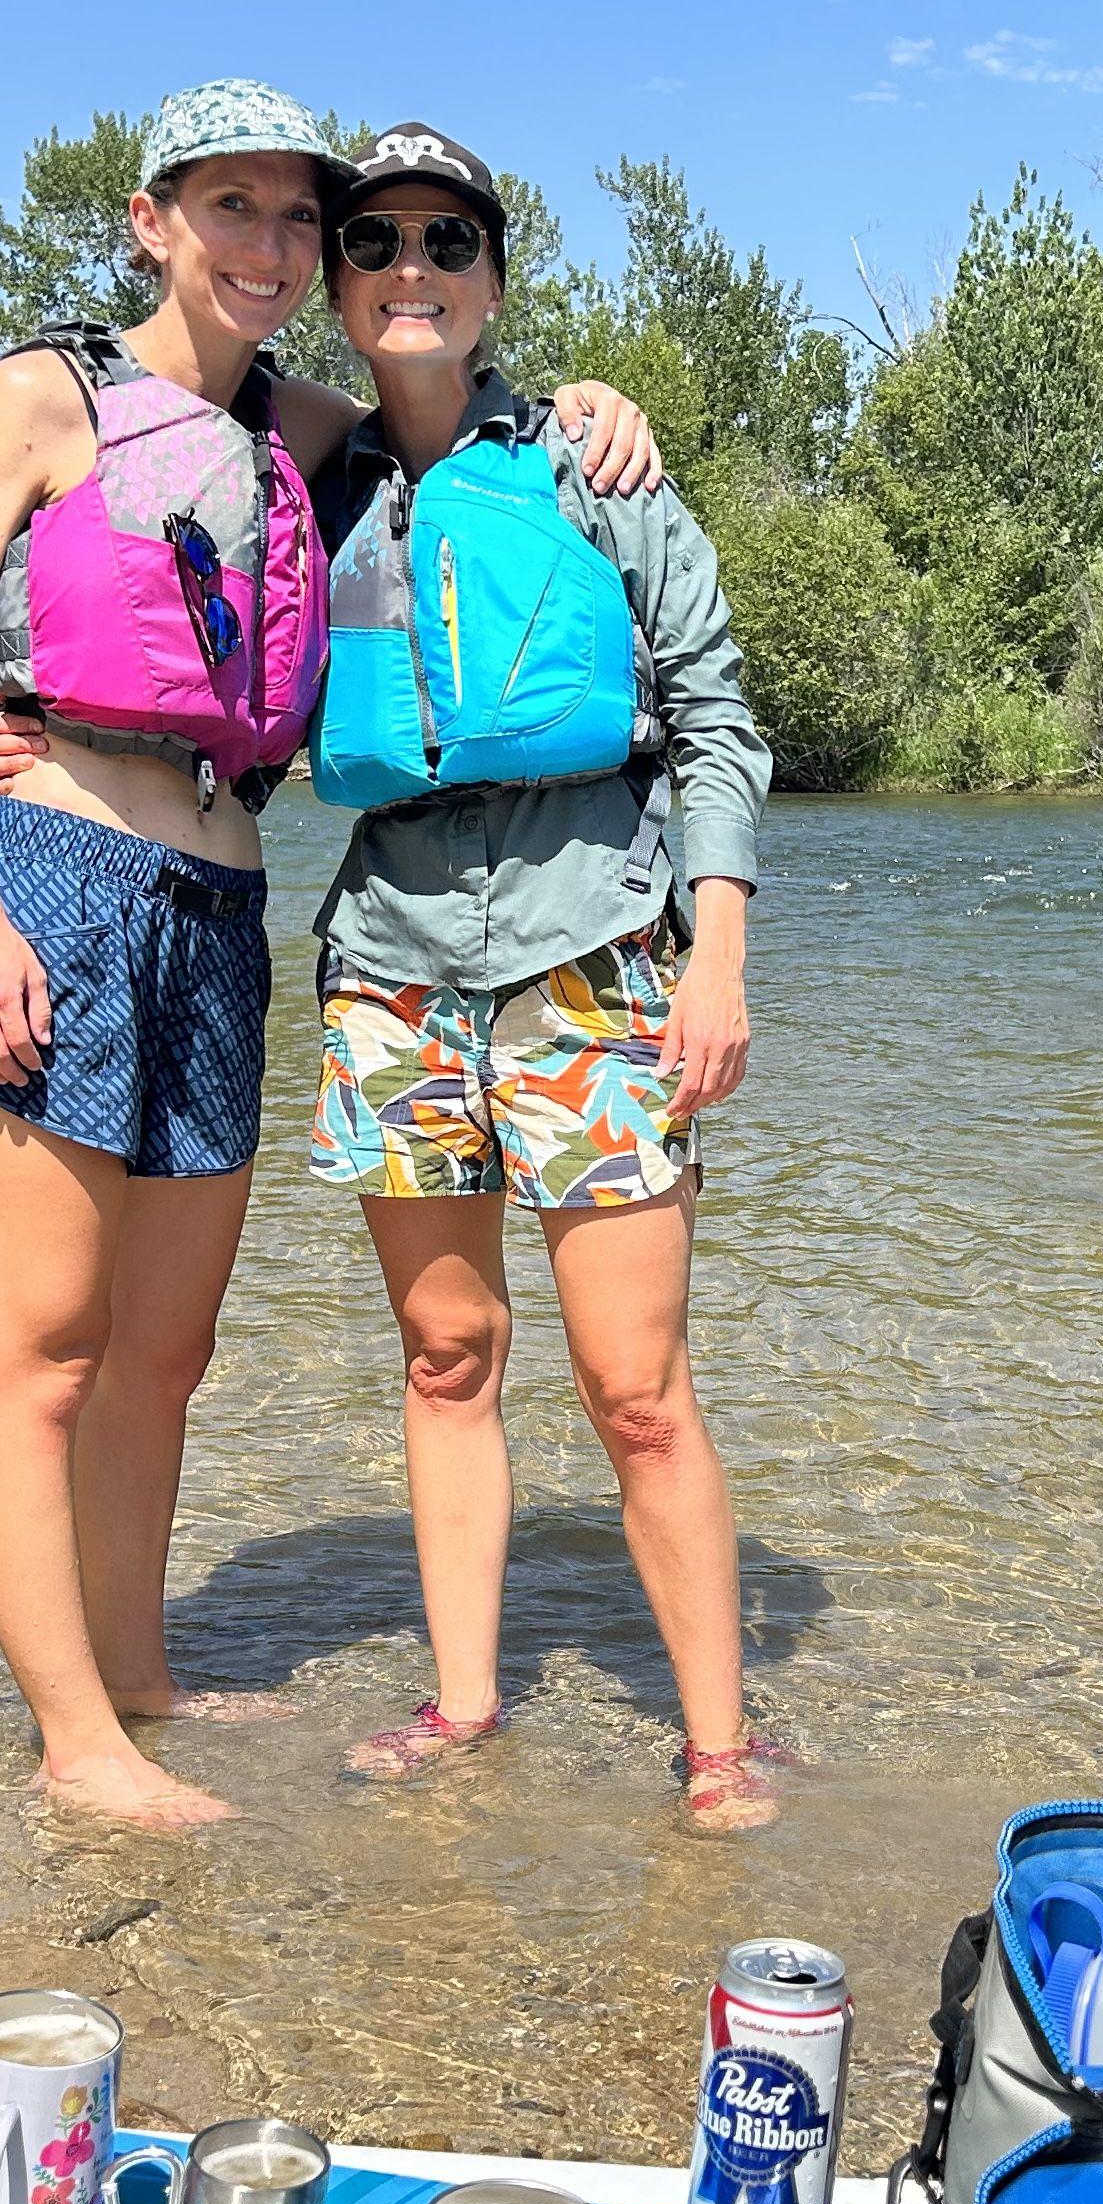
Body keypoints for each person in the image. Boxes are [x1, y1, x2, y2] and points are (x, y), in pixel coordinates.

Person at [0, 78, 662, 1833]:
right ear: (151, 222)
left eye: (297, 217)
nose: (272, 243)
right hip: (54, 881)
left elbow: (446, 404)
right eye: (232, 206)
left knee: (164, 1354)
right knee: (46, 1348)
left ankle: (136, 1671)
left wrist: (590, 407)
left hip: (221, 912)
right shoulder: (44, 397)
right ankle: (76, 1744)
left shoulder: (302, 429)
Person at [296, 124, 786, 1834]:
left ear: (493, 280)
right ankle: (464, 1702)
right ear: (338, 286)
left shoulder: (597, 465)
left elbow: (715, 714)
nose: (411, 268)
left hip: (593, 959)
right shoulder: (305, 485)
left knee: (635, 1390)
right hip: (390, 972)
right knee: (447, 1355)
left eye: (449, 241)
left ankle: (718, 1743)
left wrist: (718, 955)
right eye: (376, 241)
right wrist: (28, 733)